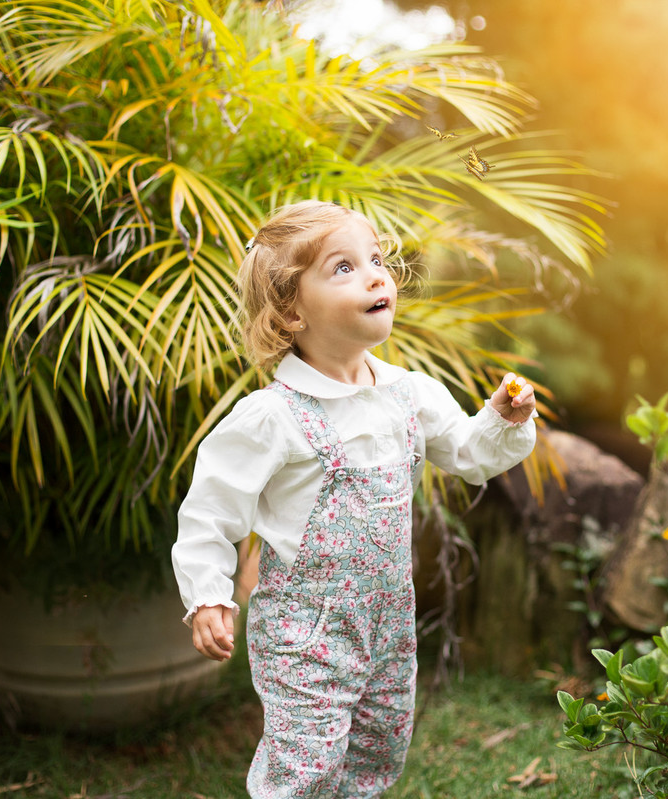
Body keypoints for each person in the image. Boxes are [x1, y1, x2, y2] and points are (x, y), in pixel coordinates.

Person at [171, 200, 537, 798]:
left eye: (376, 259)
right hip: (305, 633)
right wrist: (210, 596)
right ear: (291, 310)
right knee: (306, 766)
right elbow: (211, 511)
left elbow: (470, 455)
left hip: (388, 624)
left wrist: (498, 418)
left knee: (376, 751)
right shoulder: (273, 417)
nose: (375, 275)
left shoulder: (409, 394)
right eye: (343, 267)